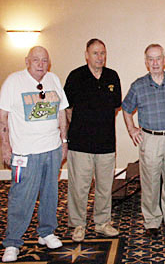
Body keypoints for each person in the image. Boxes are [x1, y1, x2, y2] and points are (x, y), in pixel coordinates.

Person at [0, 46, 68, 262]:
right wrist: (4, 146)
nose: (41, 64)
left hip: (52, 149)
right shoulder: (14, 81)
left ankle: (46, 232)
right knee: (21, 197)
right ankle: (12, 242)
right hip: (25, 152)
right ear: (27, 61)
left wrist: (64, 141)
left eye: (44, 60)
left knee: (50, 194)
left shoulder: (53, 80)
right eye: (36, 60)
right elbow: (3, 117)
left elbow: (61, 112)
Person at [122, 44, 165, 238]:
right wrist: (131, 128)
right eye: (151, 59)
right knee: (150, 184)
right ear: (146, 62)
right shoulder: (138, 85)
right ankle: (152, 222)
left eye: (158, 58)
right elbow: (126, 108)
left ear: (164, 60)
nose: (155, 62)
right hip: (150, 140)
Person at [64, 39, 121, 242]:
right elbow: (68, 110)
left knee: (105, 187)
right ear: (86, 54)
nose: (100, 57)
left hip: (106, 144)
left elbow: (115, 108)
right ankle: (78, 224)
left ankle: (102, 222)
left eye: (103, 53)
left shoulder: (112, 76)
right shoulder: (75, 76)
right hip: (80, 143)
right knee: (79, 187)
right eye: (95, 53)